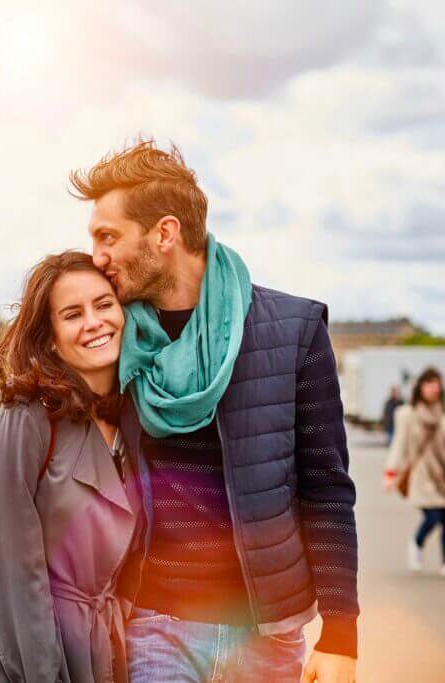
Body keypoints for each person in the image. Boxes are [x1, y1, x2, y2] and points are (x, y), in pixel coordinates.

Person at [71, 140, 359, 683]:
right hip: (154, 625)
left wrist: (341, 634)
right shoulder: (111, 340)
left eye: (107, 237)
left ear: (165, 233)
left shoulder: (295, 331)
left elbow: (326, 488)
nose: (97, 257)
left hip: (267, 634)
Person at [0, 251, 143, 683]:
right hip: (17, 658)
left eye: (104, 304)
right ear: (49, 338)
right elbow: (11, 575)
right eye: (73, 314)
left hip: (96, 651)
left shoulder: (129, 420)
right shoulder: (23, 420)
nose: (94, 322)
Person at [384, 368, 445, 574]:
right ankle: (416, 543)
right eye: (429, 384)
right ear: (420, 387)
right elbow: (399, 445)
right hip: (421, 475)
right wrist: (391, 472)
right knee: (434, 516)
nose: (434, 388)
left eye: (437, 384)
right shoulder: (407, 415)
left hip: (441, 474)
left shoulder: (442, 413)